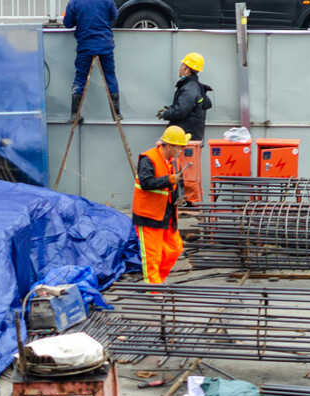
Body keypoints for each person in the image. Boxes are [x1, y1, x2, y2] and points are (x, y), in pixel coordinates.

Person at [133, 126, 188, 284]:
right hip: (148, 215)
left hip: (166, 214)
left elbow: (175, 182)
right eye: (179, 146)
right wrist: (169, 180)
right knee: (152, 254)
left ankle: (159, 280)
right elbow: (146, 183)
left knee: (175, 249)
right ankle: (155, 287)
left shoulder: (170, 161)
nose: (181, 150)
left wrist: (179, 195)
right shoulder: (148, 159)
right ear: (168, 146)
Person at [156, 52, 213, 206]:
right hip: (191, 136)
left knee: (185, 170)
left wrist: (167, 113)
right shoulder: (195, 87)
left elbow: (182, 111)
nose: (180, 68)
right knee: (186, 169)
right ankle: (188, 201)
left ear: (188, 70)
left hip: (186, 137)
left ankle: (190, 202)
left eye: (183, 65)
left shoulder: (189, 89)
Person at [63, 0, 120, 122]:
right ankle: (116, 113)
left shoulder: (74, 2)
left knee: (80, 78)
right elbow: (114, 16)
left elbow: (67, 23)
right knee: (110, 76)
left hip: (86, 45)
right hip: (105, 43)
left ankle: (75, 114)